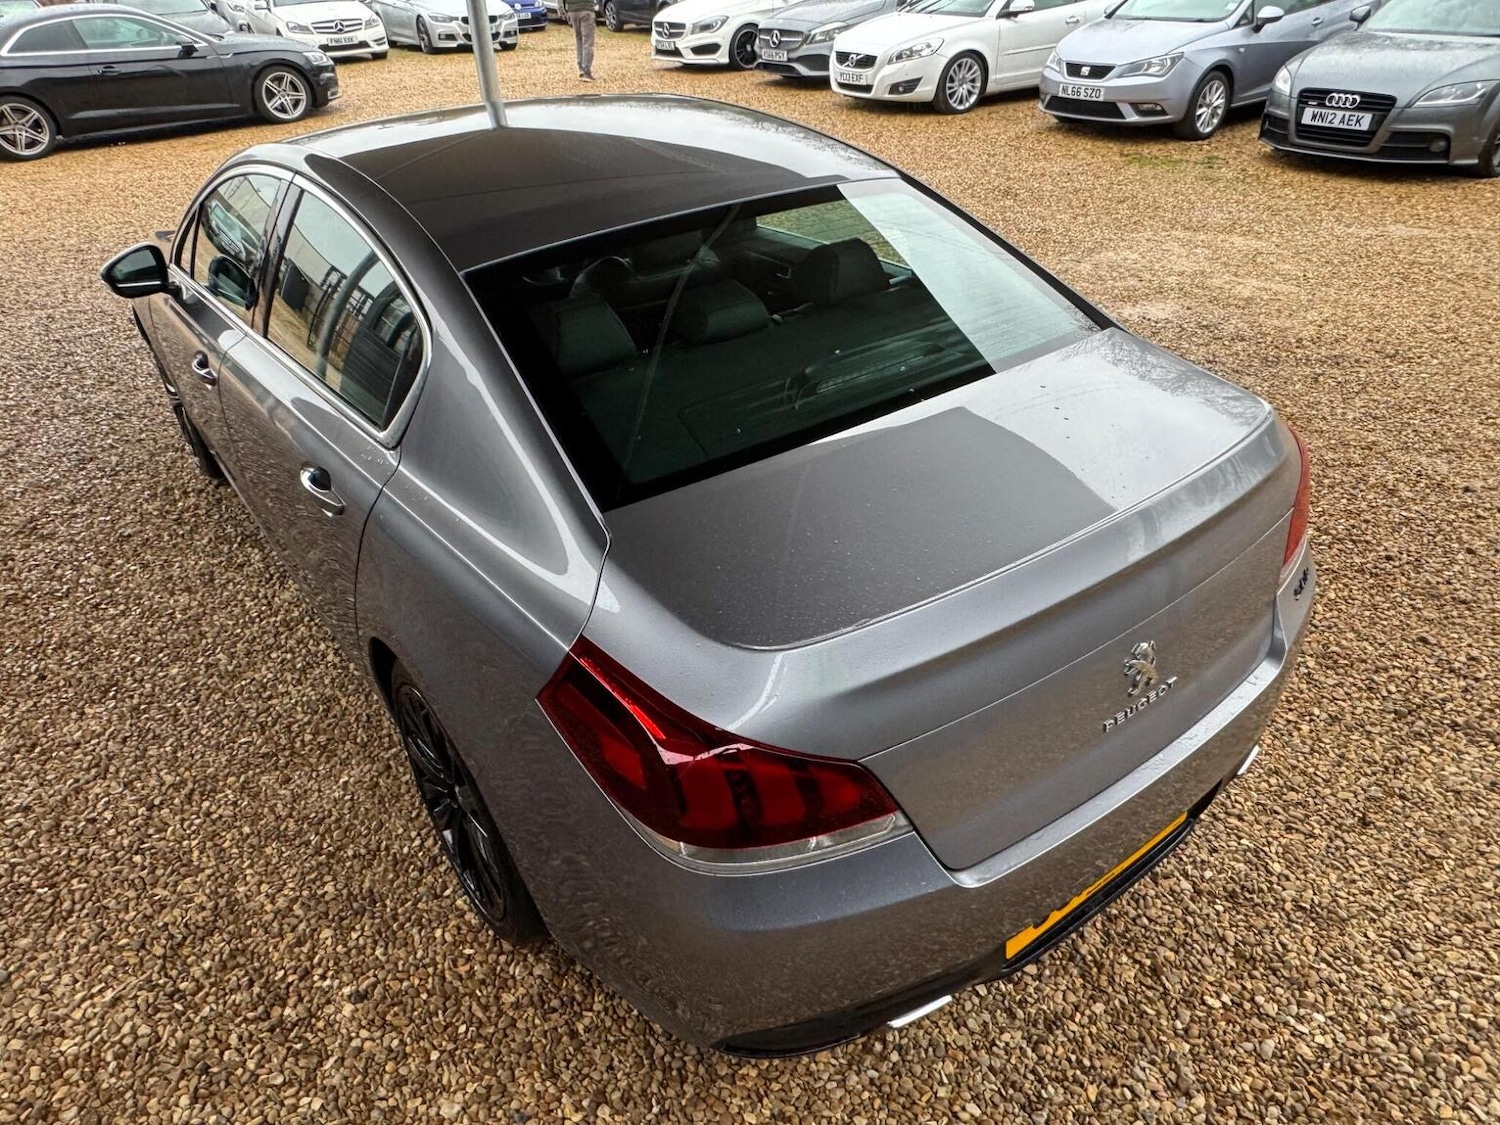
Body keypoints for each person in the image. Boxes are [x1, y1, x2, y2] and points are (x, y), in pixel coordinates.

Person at [562, 0, 596, 82]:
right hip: (586, 9)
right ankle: (586, 71)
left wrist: (564, 10)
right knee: (587, 41)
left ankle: (581, 67)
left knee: (579, 38)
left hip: (572, 10)